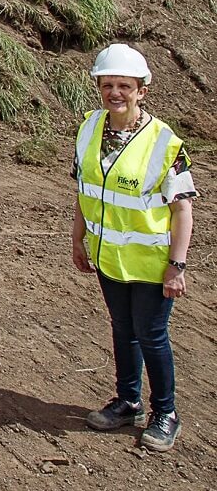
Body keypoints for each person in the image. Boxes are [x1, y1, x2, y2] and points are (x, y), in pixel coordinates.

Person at [72, 44, 196, 453]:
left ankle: (166, 413)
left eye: (124, 85)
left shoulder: (165, 142)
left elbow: (182, 211)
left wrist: (177, 265)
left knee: (151, 335)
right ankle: (128, 401)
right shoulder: (89, 127)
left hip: (151, 263)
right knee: (123, 330)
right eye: (107, 85)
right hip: (108, 257)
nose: (115, 93)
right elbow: (83, 189)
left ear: (142, 90)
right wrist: (78, 238)